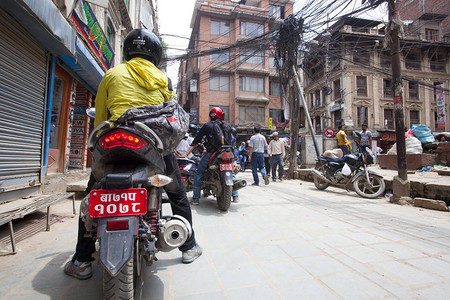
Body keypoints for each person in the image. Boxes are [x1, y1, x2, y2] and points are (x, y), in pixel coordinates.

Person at [64, 29, 202, 280]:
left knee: (93, 193)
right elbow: (170, 116)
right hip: (152, 143)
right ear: (155, 54)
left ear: (128, 50)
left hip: (114, 142)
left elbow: (103, 117)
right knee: (177, 193)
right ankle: (189, 247)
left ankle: (82, 260)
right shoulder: (163, 79)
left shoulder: (111, 74)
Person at [184, 107, 239, 204]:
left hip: (212, 152)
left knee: (199, 173)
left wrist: (190, 148)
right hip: (228, 152)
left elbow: (197, 140)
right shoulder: (228, 126)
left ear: (211, 115)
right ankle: (235, 196)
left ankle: (196, 198)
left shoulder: (207, 125)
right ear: (222, 114)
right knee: (230, 170)